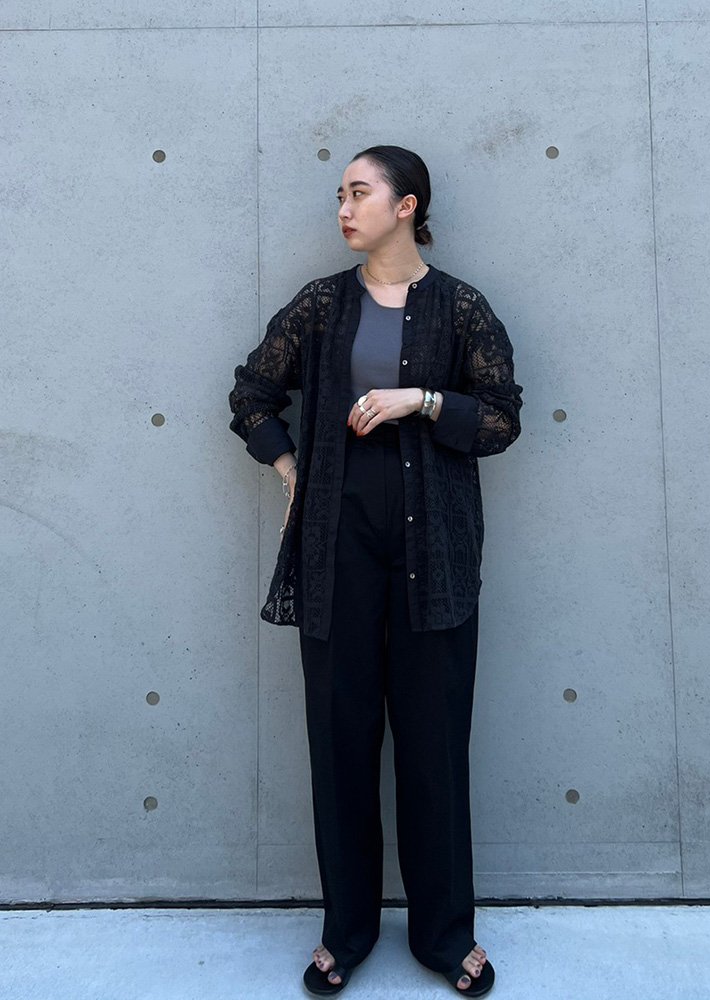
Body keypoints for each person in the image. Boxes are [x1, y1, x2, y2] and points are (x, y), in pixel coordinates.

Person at [228, 145, 523, 997]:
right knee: (340, 743)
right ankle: (345, 933)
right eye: (340, 194)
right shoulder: (322, 306)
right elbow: (251, 394)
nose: (344, 208)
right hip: (336, 553)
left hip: (436, 555)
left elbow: (502, 420)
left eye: (360, 193)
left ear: (407, 205)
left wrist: (421, 401)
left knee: (435, 747)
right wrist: (292, 469)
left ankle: (445, 935)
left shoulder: (461, 307)